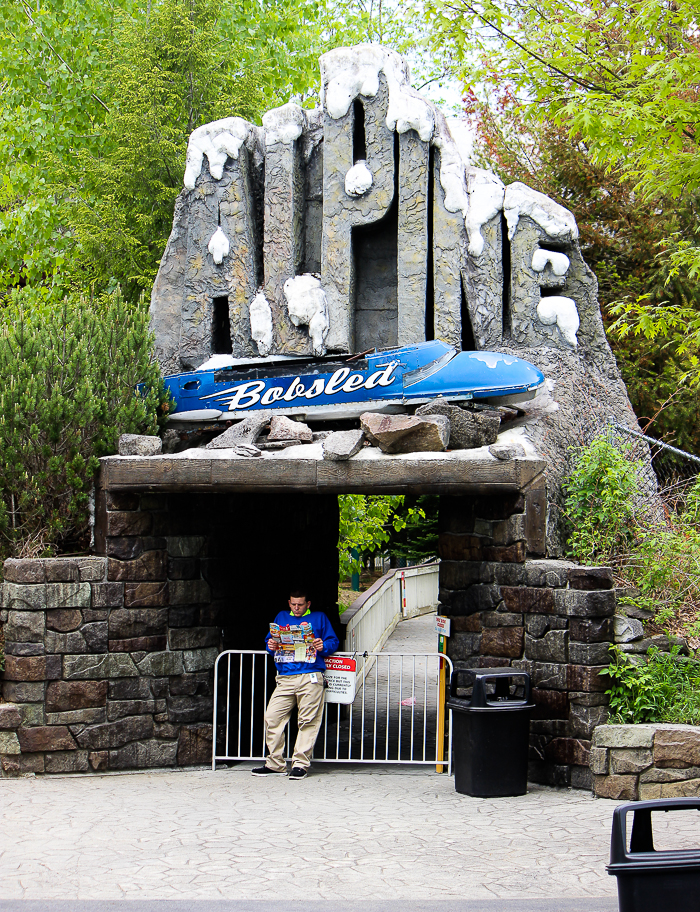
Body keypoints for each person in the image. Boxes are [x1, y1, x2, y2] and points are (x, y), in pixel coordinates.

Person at [252, 587, 339, 780]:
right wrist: (271, 645)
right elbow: (270, 642)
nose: (297, 608)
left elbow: (333, 641)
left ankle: (300, 764)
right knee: (272, 717)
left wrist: (323, 646)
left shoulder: (320, 618)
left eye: (300, 604)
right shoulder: (281, 617)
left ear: (308, 604)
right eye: (293, 604)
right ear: (289, 603)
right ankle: (275, 763)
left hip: (310, 675)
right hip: (285, 677)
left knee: (308, 720)